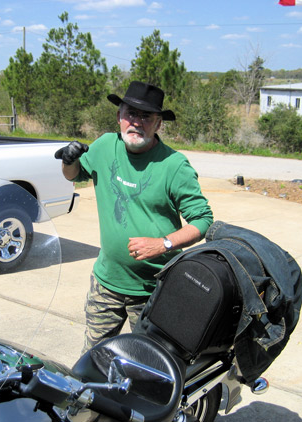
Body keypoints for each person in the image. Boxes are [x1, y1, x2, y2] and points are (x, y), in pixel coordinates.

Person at [55, 81, 214, 353]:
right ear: (119, 117)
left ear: (158, 124)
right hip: (106, 284)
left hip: (154, 291)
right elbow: (74, 175)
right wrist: (68, 161)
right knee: (92, 360)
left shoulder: (174, 165)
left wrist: (162, 244)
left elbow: (203, 220)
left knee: (148, 367)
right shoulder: (105, 146)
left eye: (146, 117)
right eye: (130, 114)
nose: (136, 123)